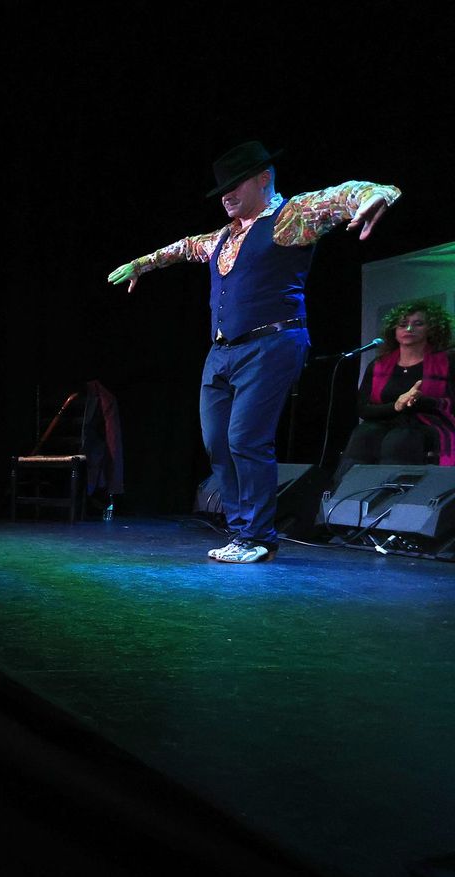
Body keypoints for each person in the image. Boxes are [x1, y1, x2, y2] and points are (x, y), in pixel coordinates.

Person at [107, 141, 400, 563]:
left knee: (246, 437)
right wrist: (143, 264)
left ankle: (256, 537)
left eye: (234, 185)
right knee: (216, 442)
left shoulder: (288, 218)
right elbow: (184, 247)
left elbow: (339, 196)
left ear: (264, 179)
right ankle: (240, 531)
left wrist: (373, 194)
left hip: (272, 341)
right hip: (223, 351)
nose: (226, 195)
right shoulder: (222, 236)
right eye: (221, 189)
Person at [336, 298, 455, 479]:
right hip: (387, 421)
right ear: (394, 330)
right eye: (403, 324)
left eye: (418, 324)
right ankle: (343, 497)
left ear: (431, 329)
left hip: (428, 423)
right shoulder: (378, 365)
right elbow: (364, 409)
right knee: (363, 434)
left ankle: (394, 497)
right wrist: (396, 406)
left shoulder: (447, 361)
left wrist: (421, 401)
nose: (409, 329)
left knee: (400, 440)